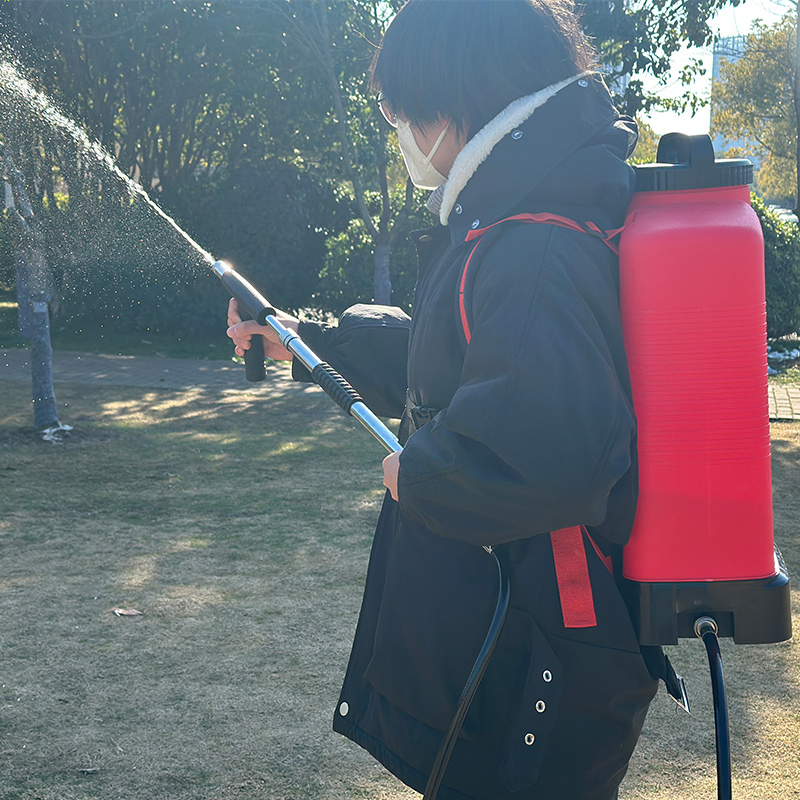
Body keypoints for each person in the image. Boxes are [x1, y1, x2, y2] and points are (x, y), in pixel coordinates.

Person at [226, 1, 667, 797]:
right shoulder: (519, 219)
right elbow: (462, 366)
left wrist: (419, 477)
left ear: (455, 102)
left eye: (399, 113)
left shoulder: (532, 242)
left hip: (541, 654)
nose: (400, 136)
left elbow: (554, 457)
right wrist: (302, 337)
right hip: (532, 639)